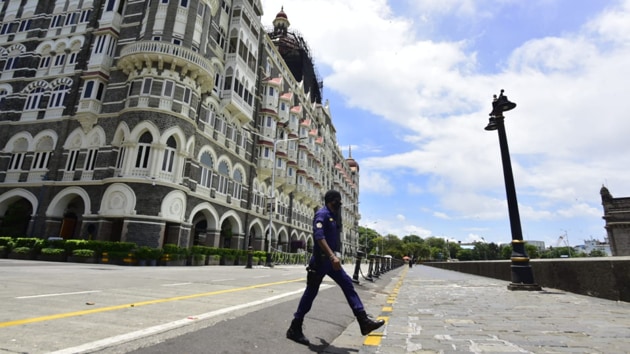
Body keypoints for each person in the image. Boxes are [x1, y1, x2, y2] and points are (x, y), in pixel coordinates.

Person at [286, 190, 385, 345]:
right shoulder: (322, 214)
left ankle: (363, 321)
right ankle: (295, 326)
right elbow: (319, 237)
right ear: (331, 201)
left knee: (348, 285)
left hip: (331, 263)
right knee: (310, 294)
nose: (340, 203)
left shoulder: (333, 216)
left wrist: (334, 256)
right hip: (320, 262)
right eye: (338, 200)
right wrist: (332, 256)